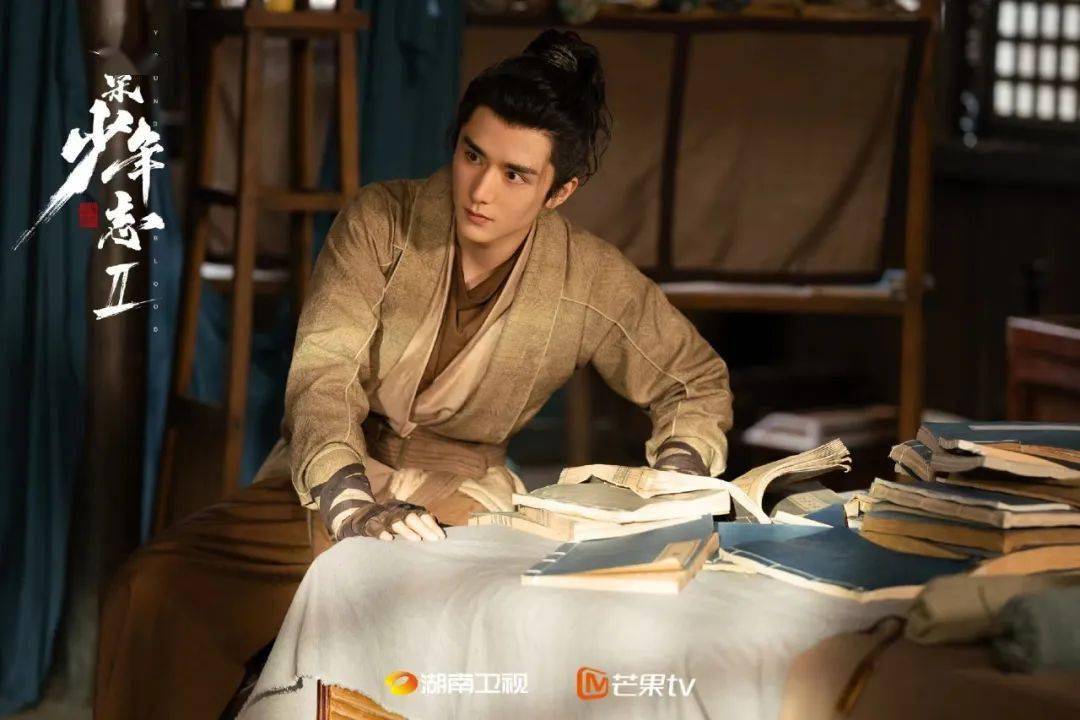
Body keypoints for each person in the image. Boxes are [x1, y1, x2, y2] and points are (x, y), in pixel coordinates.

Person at [95, 29, 732, 719]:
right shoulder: (382, 222)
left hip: (465, 509)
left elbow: (692, 379)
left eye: (515, 175)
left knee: (436, 634)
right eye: (472, 155)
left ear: (560, 190)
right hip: (331, 480)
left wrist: (675, 480)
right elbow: (324, 369)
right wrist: (348, 502)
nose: (481, 190)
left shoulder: (588, 278)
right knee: (153, 588)